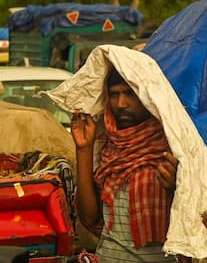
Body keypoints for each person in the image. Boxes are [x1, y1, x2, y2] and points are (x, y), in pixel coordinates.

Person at [70, 66, 179, 262]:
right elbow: (89, 219)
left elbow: (196, 220)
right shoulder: (107, 147)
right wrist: (84, 149)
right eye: (114, 94)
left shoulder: (174, 147)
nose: (121, 104)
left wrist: (176, 188)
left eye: (130, 94)